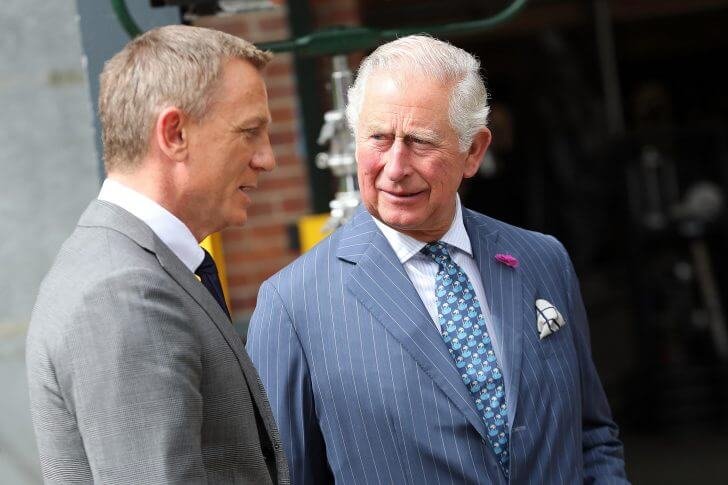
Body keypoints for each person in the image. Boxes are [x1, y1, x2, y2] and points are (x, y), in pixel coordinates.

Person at [247, 35, 628, 484]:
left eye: (420, 142)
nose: (395, 167)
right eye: (378, 138)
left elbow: (590, 435)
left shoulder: (543, 260)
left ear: (474, 151)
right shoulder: (293, 305)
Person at [26, 25, 288, 484]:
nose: (267, 159)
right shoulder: (124, 293)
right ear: (174, 133)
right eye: (250, 132)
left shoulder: (130, 270)